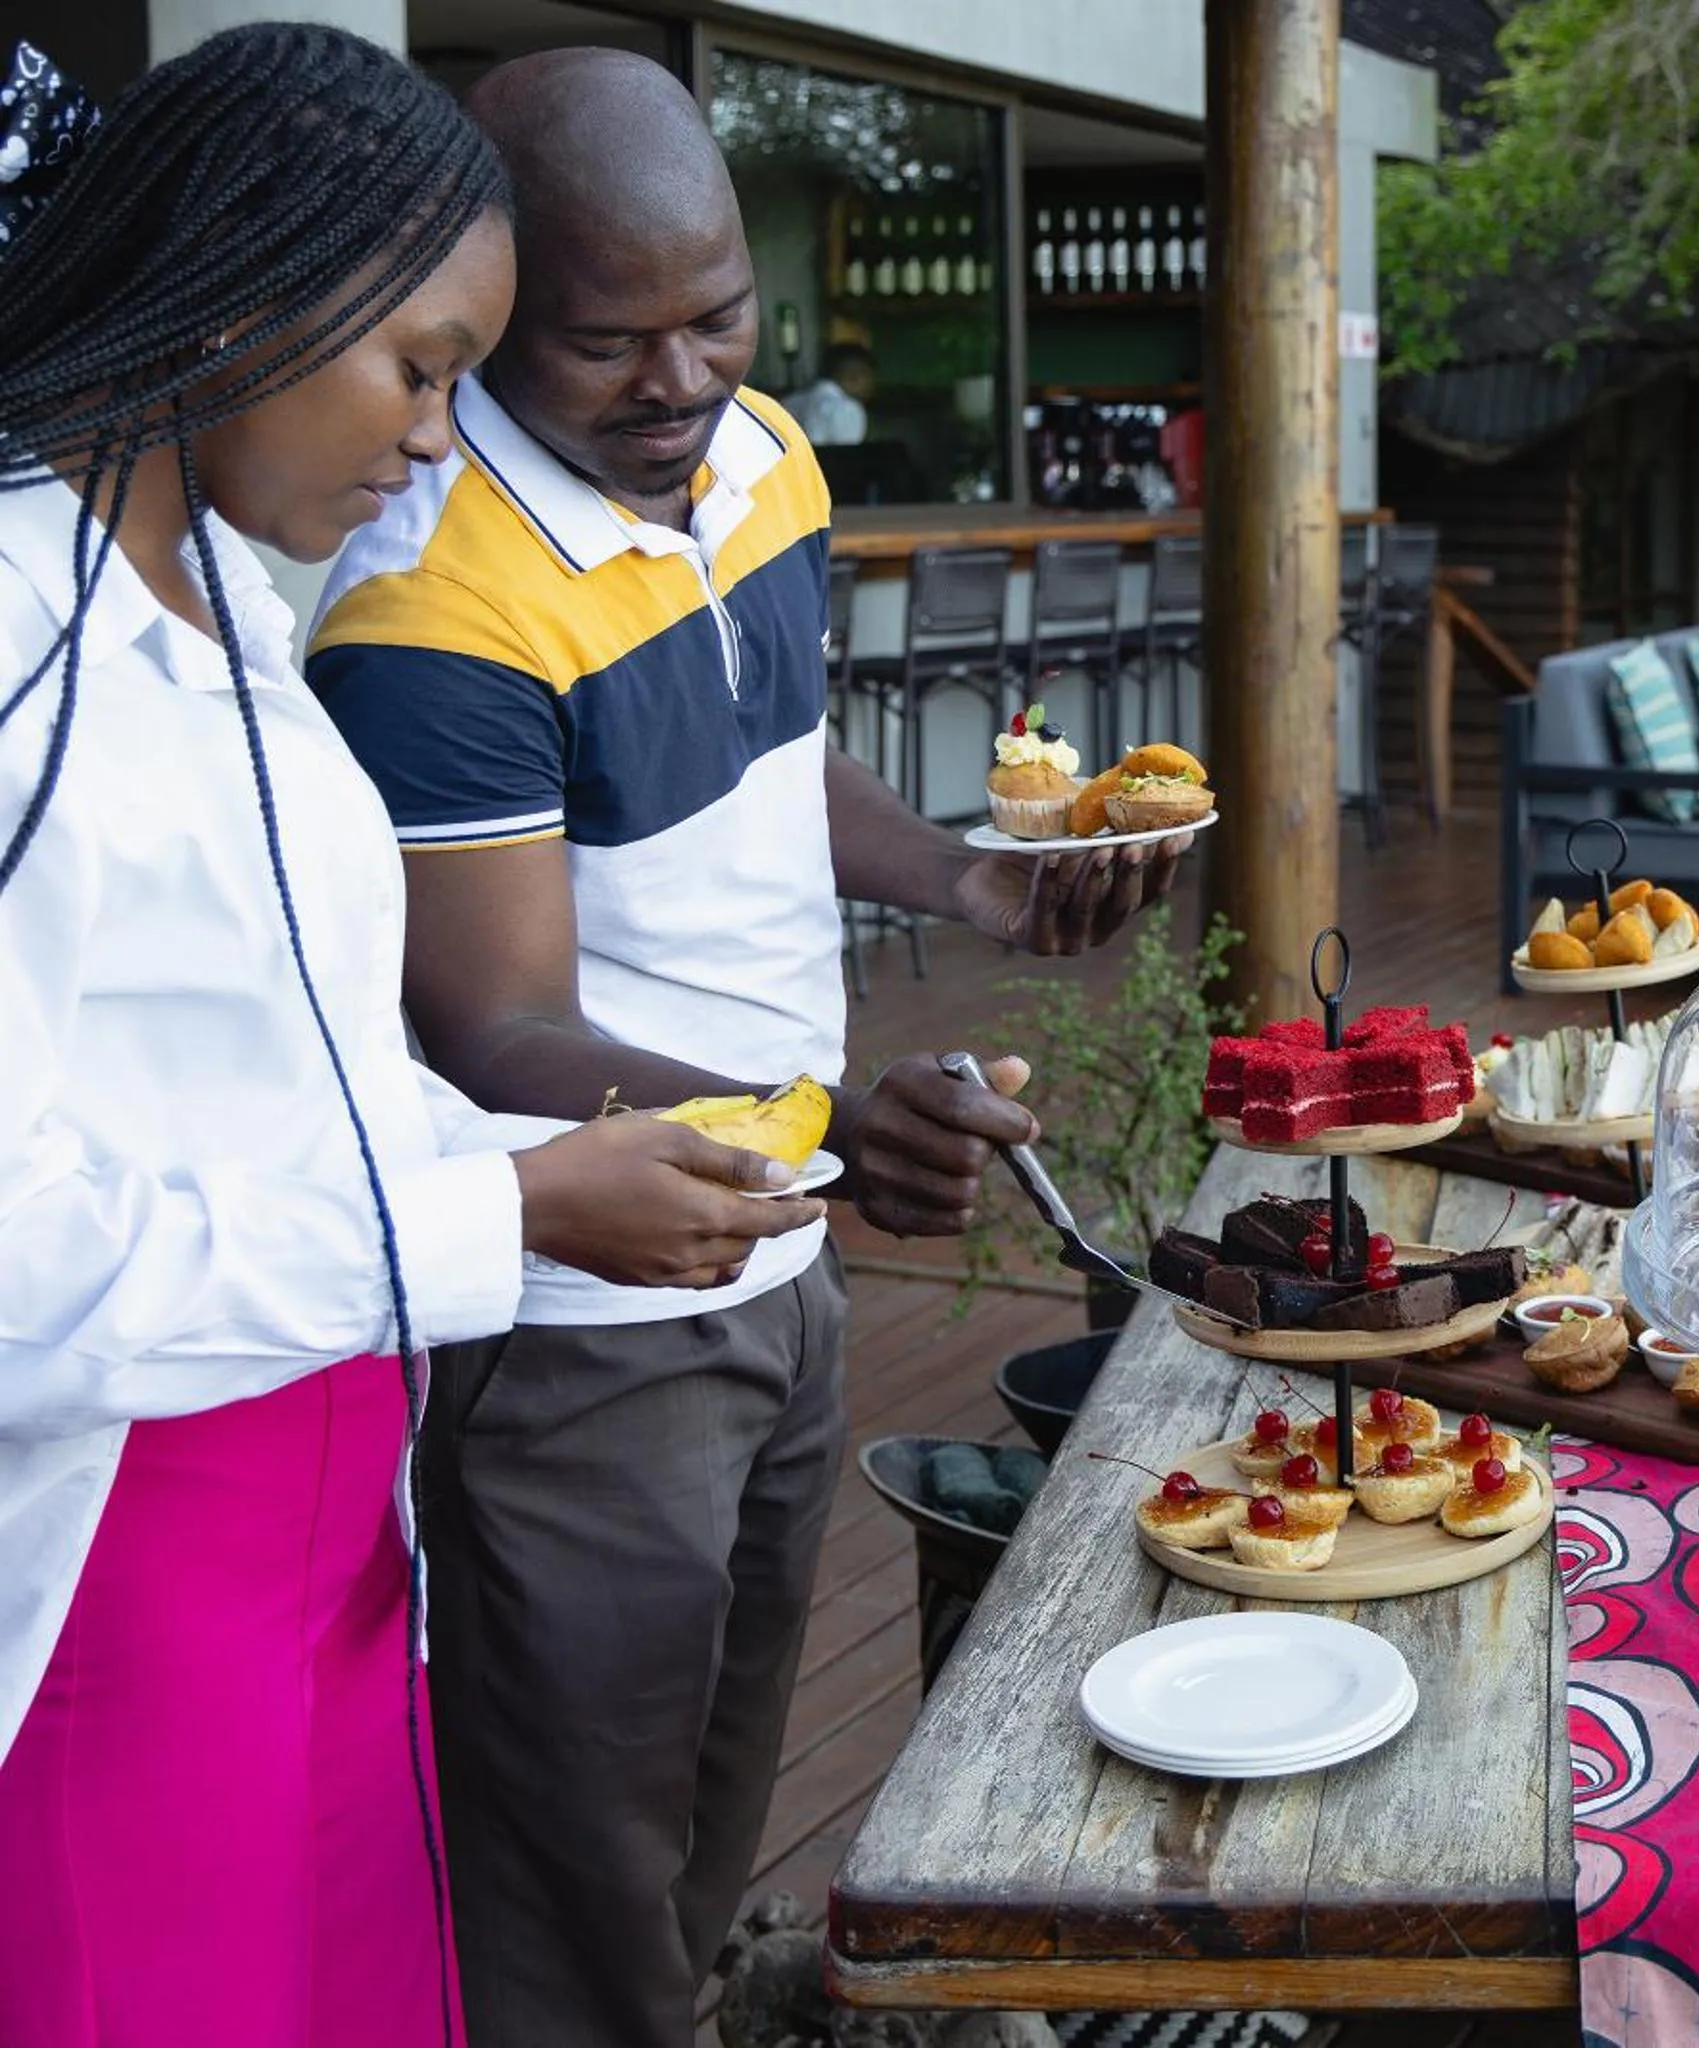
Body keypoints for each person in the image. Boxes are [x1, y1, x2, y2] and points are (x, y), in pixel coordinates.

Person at [303, 49, 1184, 2048]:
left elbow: (785, 762)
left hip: (779, 1252)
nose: (683, 381)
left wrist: (967, 883)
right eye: (613, 342)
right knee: (575, 1843)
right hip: (576, 1308)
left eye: (719, 315)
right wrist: (809, 1138)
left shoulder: (763, 455)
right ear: (494, 308)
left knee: (717, 1758)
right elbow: (494, 1020)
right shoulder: (429, 605)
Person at [0, 29, 823, 2048]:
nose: (442, 445)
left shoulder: (222, 614)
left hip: (330, 1523)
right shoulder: (22, 656)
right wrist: (510, 1214)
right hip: (123, 1568)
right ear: (236, 284)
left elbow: (308, 1091)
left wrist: (517, 1185)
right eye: (422, 368)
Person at [784, 339, 873, 447]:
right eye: (868, 377)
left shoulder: (789, 402)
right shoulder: (849, 409)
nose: (871, 385)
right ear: (854, 376)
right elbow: (847, 459)